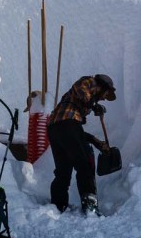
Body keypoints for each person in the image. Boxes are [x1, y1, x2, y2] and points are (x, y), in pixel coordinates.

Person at [47, 72, 117, 215]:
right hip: (67, 125)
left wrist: (96, 142)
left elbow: (74, 132)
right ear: (103, 87)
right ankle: (90, 207)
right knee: (85, 165)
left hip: (54, 129)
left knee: (63, 170)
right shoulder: (89, 81)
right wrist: (93, 104)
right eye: (105, 94)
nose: (103, 98)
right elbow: (81, 91)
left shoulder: (74, 110)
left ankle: (57, 206)